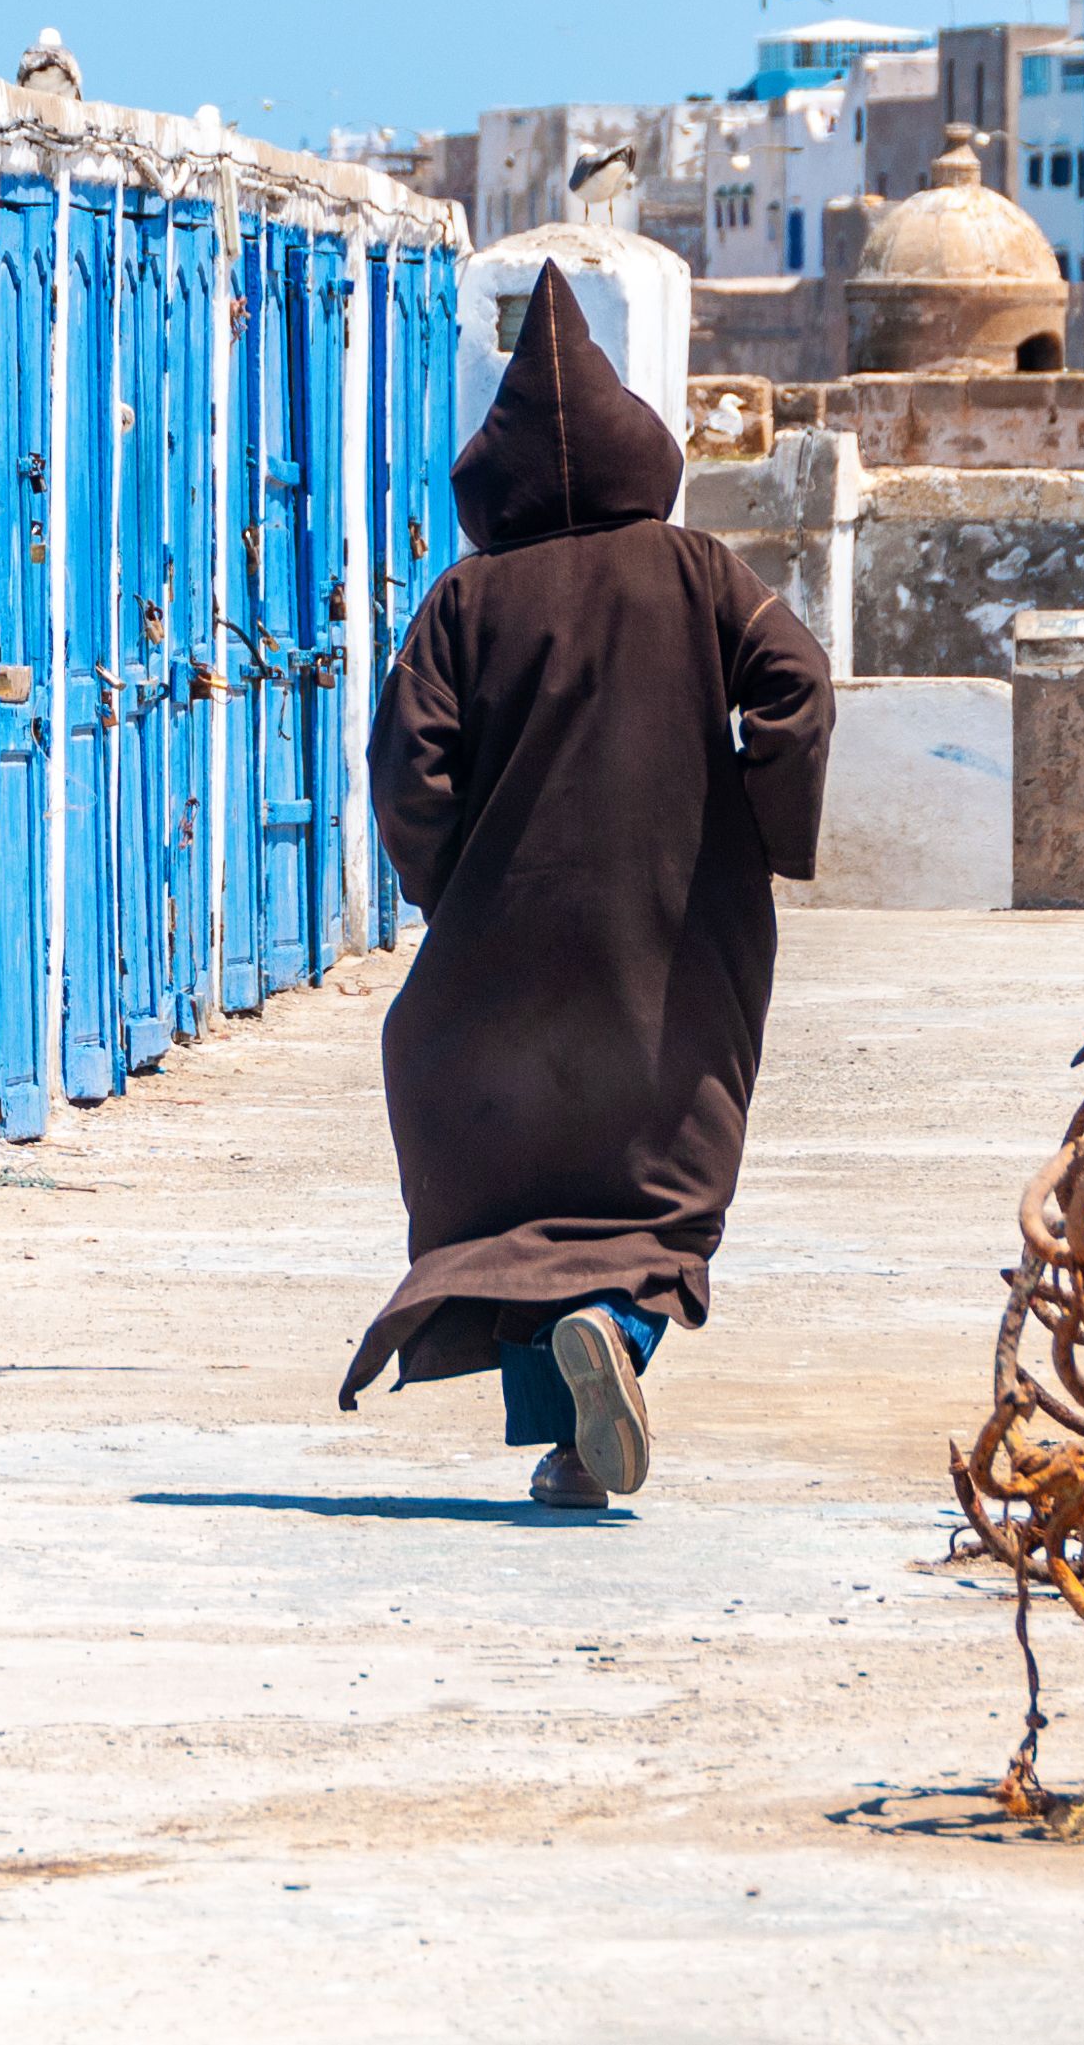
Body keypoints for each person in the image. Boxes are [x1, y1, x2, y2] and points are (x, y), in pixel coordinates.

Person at [339, 264, 834, 1509]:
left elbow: (408, 765)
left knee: (515, 1177)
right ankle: (617, 1332)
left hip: (503, 956)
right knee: (665, 1180)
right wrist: (752, 818)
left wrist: (456, 889)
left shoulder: (462, 601)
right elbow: (797, 689)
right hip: (673, 945)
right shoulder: (702, 573)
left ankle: (571, 1449)